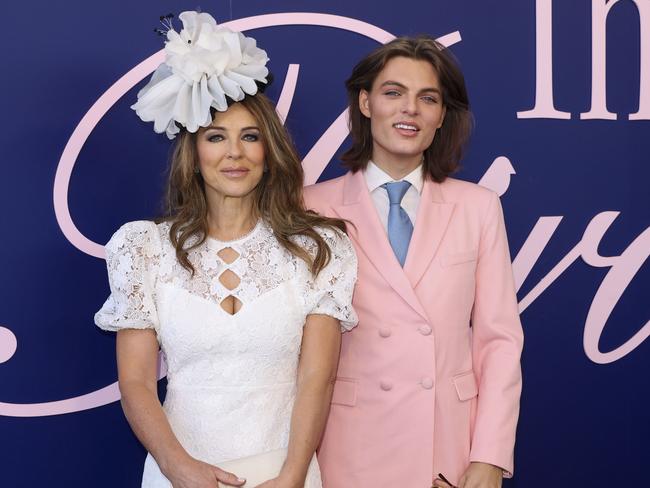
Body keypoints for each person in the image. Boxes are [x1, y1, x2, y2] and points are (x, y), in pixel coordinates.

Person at [95, 11, 357, 488]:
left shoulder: (319, 249)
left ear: (268, 153)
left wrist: (293, 475)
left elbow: (317, 379)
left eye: (249, 137)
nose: (234, 153)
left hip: (284, 474)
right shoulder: (144, 249)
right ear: (194, 156)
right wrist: (180, 469)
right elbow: (135, 383)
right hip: (179, 474)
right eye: (216, 137)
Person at [303, 36, 523, 488]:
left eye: (428, 98)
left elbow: (498, 340)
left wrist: (490, 455)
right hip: (345, 446)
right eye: (393, 93)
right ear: (365, 103)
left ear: (442, 115)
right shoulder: (310, 208)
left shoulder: (478, 207)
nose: (410, 110)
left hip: (449, 447)